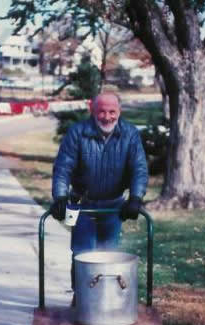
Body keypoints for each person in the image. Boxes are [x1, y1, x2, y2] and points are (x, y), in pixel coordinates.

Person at [51, 92, 149, 305]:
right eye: (102, 111)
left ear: (119, 112)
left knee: (109, 254)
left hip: (113, 206)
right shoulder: (78, 133)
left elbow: (139, 168)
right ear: (92, 111)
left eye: (112, 111)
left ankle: (104, 298)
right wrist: (59, 196)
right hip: (83, 206)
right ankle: (80, 297)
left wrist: (136, 197)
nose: (107, 116)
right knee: (81, 253)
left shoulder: (130, 134)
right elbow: (63, 167)